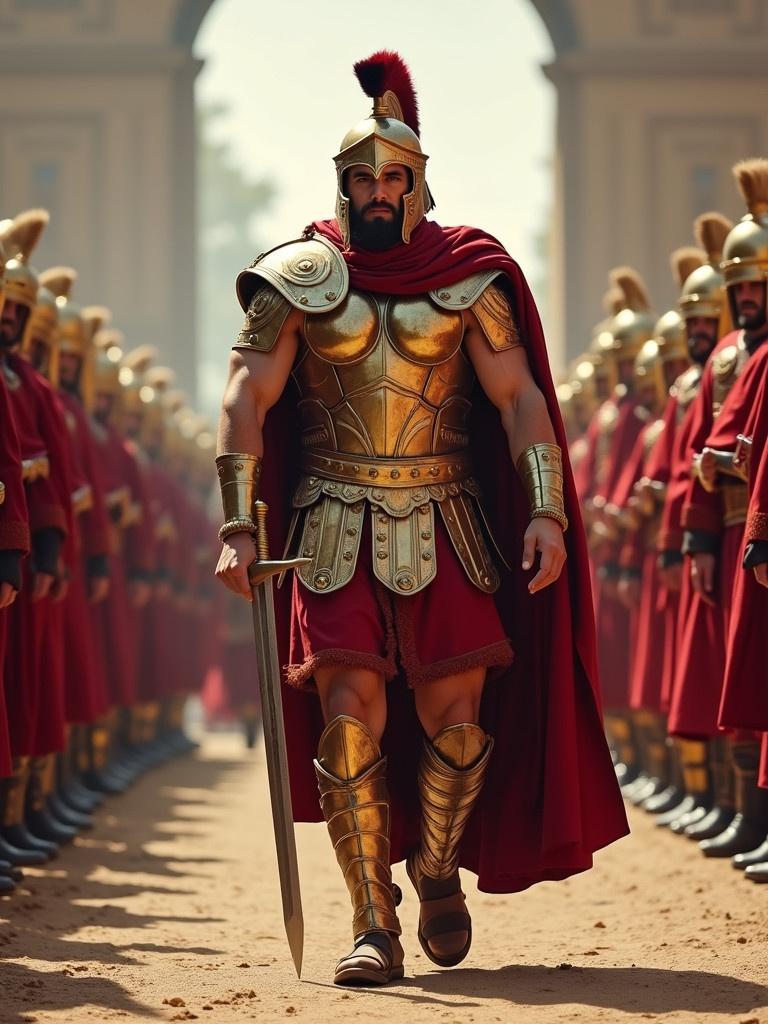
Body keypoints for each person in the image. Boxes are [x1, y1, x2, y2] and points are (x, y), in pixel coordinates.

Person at [214, 51, 627, 986]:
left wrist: (548, 514)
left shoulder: (471, 276)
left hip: (449, 518)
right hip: (327, 528)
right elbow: (246, 394)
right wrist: (239, 522)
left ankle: (436, 867)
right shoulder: (297, 276)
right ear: (341, 183)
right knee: (347, 718)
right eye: (360, 177)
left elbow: (520, 400)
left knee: (455, 725)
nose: (375, 192)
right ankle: (372, 918)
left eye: (393, 177)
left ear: (419, 182)